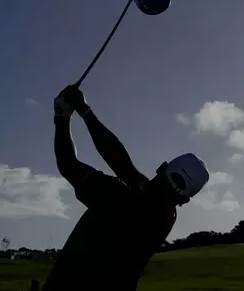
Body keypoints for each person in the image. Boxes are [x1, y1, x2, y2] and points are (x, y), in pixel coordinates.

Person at [42, 85, 209, 290]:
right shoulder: (165, 218)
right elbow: (126, 170)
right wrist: (83, 111)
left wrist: (63, 115)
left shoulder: (121, 200)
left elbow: (69, 164)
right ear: (184, 201)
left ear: (161, 169)